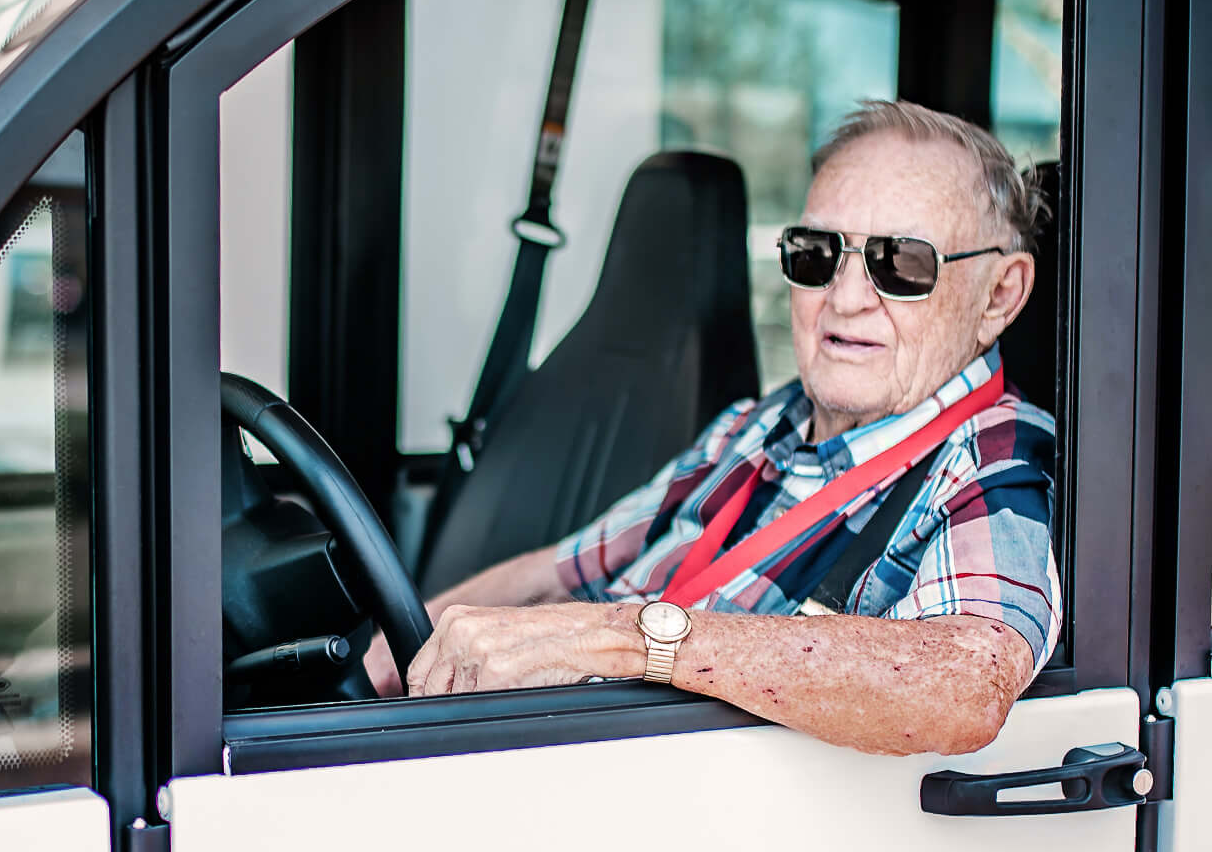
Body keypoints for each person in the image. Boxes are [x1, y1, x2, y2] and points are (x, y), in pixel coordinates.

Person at [390, 100, 1059, 757]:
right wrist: (395, 655)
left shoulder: (996, 462)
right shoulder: (758, 422)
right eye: (816, 253)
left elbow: (967, 677)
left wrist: (624, 639)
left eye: (901, 264)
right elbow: (567, 569)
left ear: (999, 294)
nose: (845, 297)